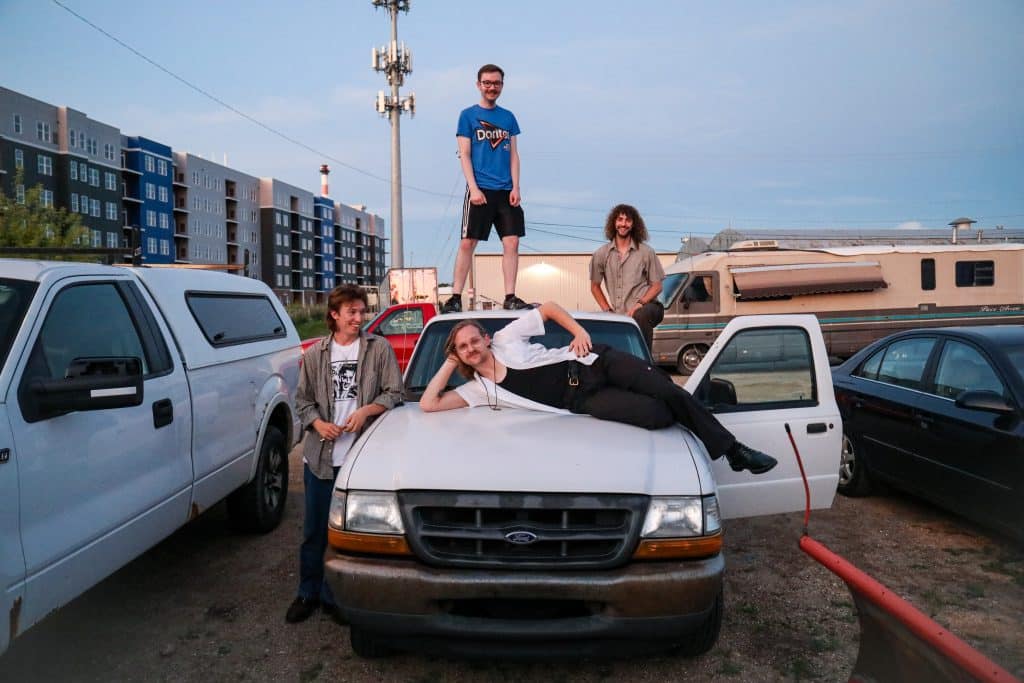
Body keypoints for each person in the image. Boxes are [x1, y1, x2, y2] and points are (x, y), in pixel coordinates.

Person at [421, 301, 777, 474]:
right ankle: (665, 391)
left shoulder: (504, 338)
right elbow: (428, 405)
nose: (471, 348)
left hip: (595, 361)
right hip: (586, 400)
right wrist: (451, 361)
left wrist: (577, 331)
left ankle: (734, 451)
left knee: (669, 392)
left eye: (473, 340)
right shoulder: (478, 391)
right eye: (462, 348)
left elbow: (547, 309)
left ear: (484, 337)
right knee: (657, 414)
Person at [286, 285, 403, 625]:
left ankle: (337, 596)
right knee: (314, 532)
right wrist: (318, 424)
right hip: (321, 459)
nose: (359, 317)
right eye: (351, 312)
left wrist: (366, 410)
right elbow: (302, 401)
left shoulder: (378, 348)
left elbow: (395, 392)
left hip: (361, 458)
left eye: (361, 311)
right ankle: (308, 591)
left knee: (352, 534)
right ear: (334, 315)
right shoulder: (316, 354)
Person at [441, 64, 530, 314]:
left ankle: (510, 295)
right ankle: (455, 297)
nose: (492, 87)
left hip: (506, 190)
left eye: (497, 83)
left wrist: (516, 186)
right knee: (468, 242)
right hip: (480, 189)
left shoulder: (508, 118)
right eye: (487, 83)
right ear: (478, 84)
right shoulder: (467, 116)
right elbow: (465, 154)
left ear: (502, 85)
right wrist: (473, 187)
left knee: (511, 242)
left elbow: (514, 155)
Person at [590, 203, 666, 350]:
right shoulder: (601, 254)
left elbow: (657, 286)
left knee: (640, 315)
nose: (623, 224)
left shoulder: (646, 252)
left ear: (633, 225)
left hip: (648, 307)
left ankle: (644, 363)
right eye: (620, 219)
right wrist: (607, 310)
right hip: (620, 313)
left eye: (628, 220)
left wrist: (640, 304)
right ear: (614, 223)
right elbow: (594, 286)